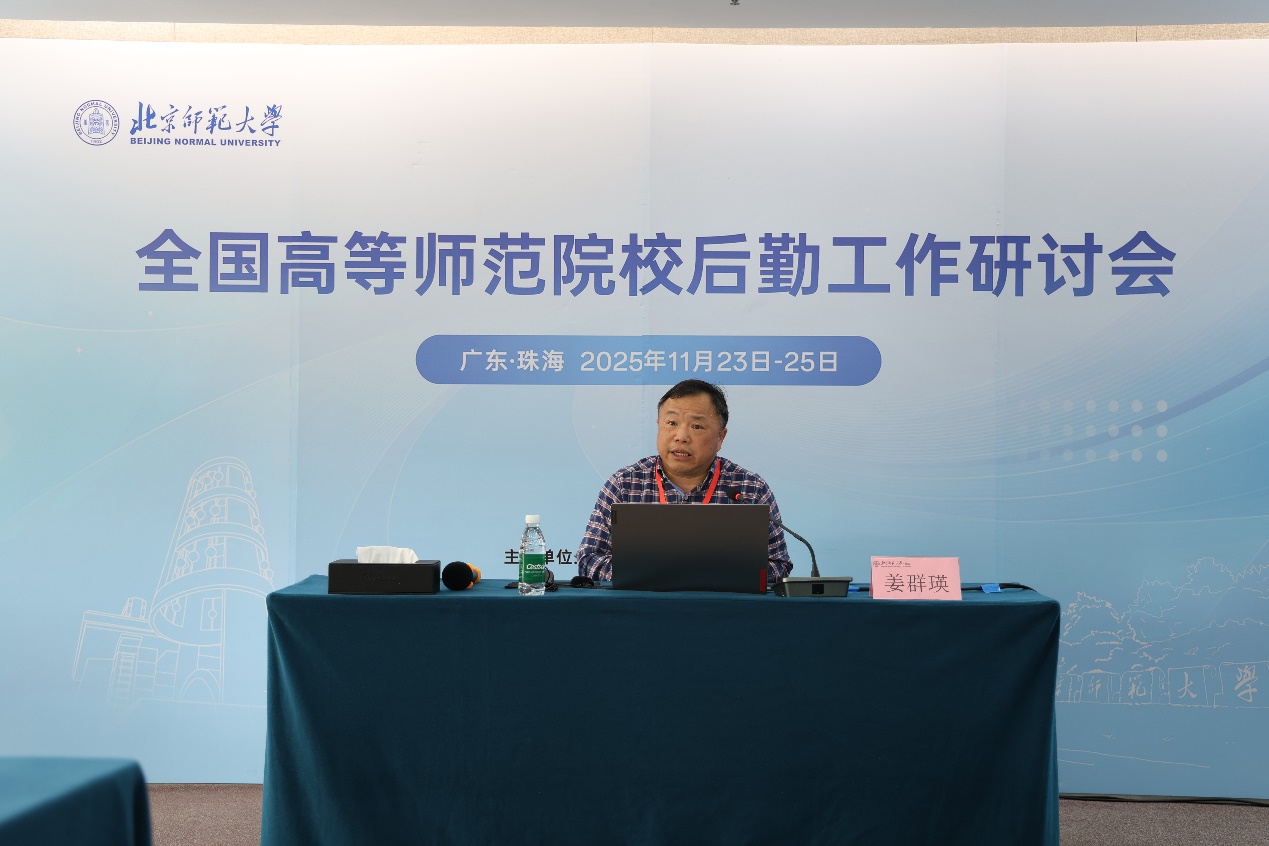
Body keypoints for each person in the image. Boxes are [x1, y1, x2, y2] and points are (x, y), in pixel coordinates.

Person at [575, 379, 793, 584]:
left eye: (697, 426)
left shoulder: (750, 489)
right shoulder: (625, 484)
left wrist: (712, 575)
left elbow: (778, 565)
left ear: (721, 437)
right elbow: (589, 559)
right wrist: (650, 575)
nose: (681, 436)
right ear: (658, 425)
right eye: (671, 423)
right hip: (644, 607)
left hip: (722, 608)